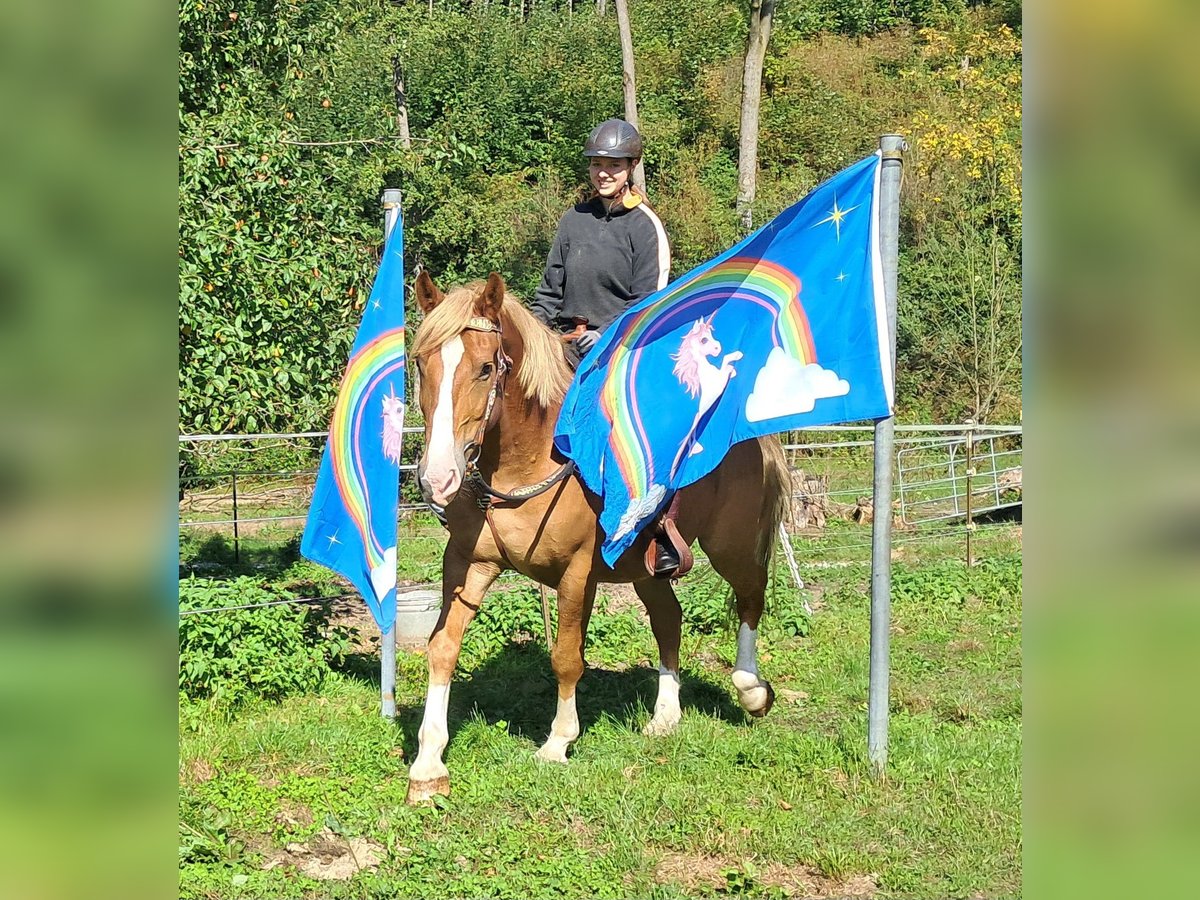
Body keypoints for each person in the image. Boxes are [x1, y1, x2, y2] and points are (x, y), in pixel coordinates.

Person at [531, 118, 670, 367]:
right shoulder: (574, 219)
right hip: (564, 348)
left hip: (618, 350)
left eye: (614, 165)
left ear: (632, 165)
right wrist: (530, 333)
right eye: (596, 164)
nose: (603, 173)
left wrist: (605, 334)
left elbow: (647, 301)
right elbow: (549, 294)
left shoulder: (645, 226)